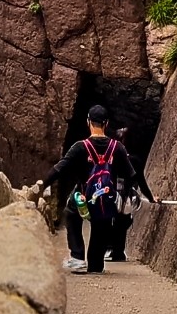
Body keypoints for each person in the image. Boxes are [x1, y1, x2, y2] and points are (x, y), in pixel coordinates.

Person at [38, 105, 136, 274]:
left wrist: (41, 187)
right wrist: (124, 196)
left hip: (83, 198)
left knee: (71, 213)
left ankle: (77, 258)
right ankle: (95, 265)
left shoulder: (80, 147)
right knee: (101, 229)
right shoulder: (117, 147)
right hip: (105, 200)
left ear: (88, 122)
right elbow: (130, 175)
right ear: (106, 124)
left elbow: (59, 169)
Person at [108, 126, 157, 262]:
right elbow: (141, 181)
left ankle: (111, 249)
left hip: (111, 195)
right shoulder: (134, 161)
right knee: (123, 223)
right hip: (126, 197)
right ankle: (118, 251)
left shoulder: (110, 159)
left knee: (111, 222)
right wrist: (151, 198)